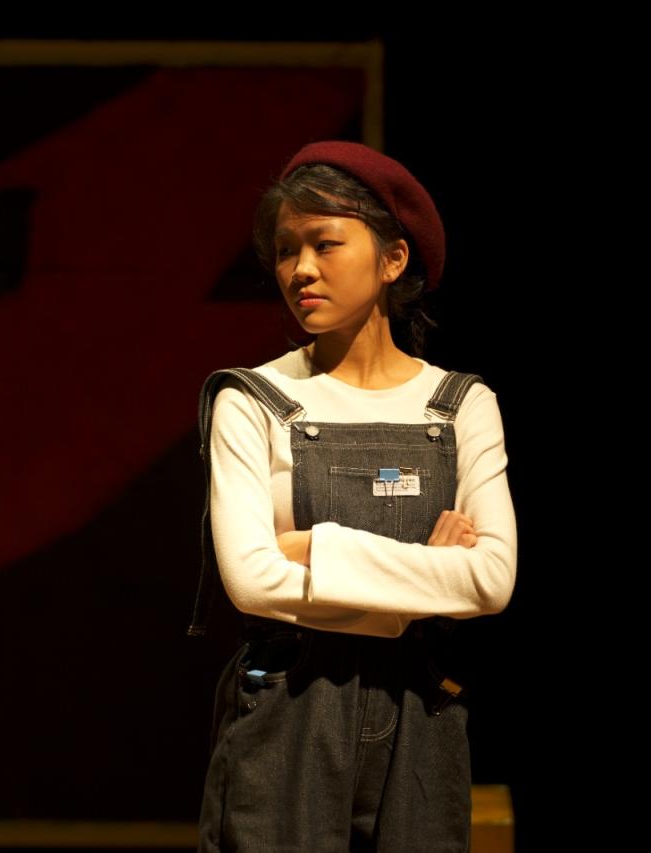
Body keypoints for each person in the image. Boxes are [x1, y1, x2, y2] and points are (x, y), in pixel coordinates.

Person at [192, 141, 517, 852]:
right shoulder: (254, 401)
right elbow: (252, 582)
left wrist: (315, 548)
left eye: (325, 244)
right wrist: (424, 585)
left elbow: (492, 580)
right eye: (285, 250)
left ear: (393, 259)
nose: (300, 269)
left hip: (423, 713)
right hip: (288, 712)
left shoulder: (459, 405)